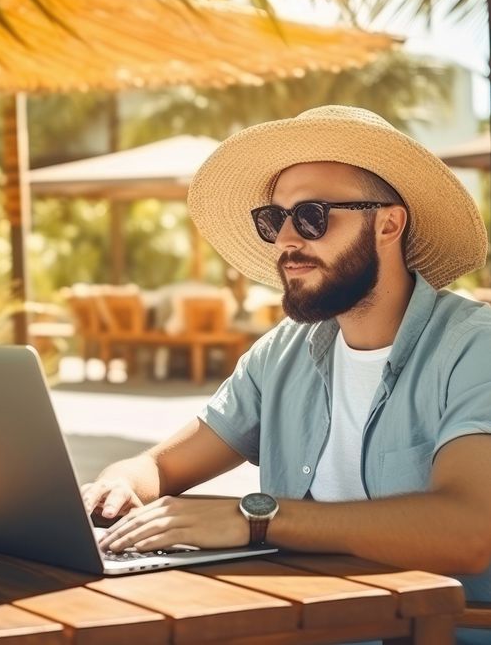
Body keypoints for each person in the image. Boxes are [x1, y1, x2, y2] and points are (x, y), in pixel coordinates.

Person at [82, 106, 491, 645]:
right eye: (275, 220)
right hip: (297, 620)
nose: (285, 241)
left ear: (389, 223)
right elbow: (159, 467)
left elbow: (468, 529)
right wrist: (119, 484)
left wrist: (256, 519)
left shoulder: (473, 347)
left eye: (313, 216)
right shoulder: (283, 352)